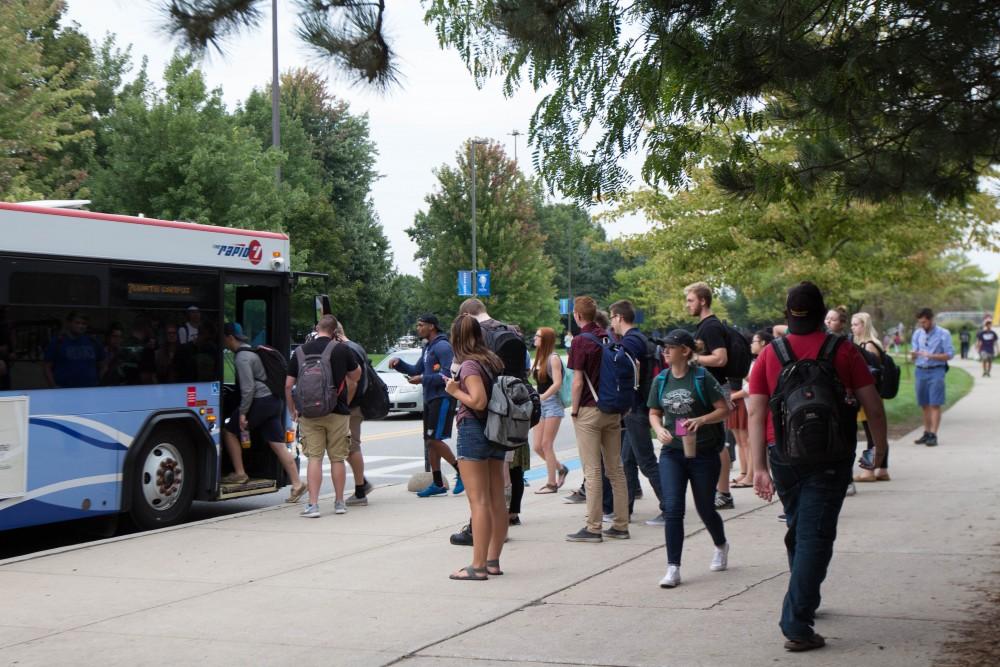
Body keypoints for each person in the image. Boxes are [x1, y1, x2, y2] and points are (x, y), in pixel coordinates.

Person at [749, 282, 889, 652]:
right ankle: (796, 621)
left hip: (783, 454)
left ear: (787, 314)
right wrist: (879, 450)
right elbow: (873, 406)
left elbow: (755, 410)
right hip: (831, 454)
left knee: (801, 528)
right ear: (821, 311)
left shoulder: (770, 354)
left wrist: (757, 466)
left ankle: (803, 595)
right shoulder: (842, 350)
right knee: (815, 535)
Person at [648, 329, 731, 588]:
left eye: (670, 347)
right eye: (664, 348)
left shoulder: (701, 377)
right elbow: (653, 412)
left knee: (705, 507)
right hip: (672, 452)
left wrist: (701, 420)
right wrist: (659, 429)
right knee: (673, 508)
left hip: (703, 452)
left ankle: (721, 544)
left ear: (685, 351)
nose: (665, 351)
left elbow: (724, 409)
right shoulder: (661, 380)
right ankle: (673, 567)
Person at [444, 315, 508, 580]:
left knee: (478, 501)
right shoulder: (493, 360)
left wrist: (454, 390)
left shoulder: (469, 365)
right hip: (496, 432)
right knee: (496, 500)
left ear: (456, 338)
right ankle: (492, 560)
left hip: (474, 431)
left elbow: (478, 401)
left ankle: (478, 565)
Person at [565, 296, 630, 543]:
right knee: (616, 470)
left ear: (578, 316)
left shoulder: (581, 341)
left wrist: (574, 410)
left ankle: (593, 527)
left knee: (592, 471)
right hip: (612, 409)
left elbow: (578, 381)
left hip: (590, 411)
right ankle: (621, 525)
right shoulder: (608, 337)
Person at [221, 322, 306, 502]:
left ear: (229, 338)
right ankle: (297, 483)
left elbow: (248, 389)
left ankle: (240, 473)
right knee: (278, 444)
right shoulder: (252, 352)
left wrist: (243, 413)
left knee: (229, 431)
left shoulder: (242, 358)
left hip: (260, 401)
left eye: (224, 338)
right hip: (274, 401)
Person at [285, 315, 360, 517]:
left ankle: (313, 505)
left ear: (317, 328)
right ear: (335, 331)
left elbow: (288, 385)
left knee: (314, 459)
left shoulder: (299, 351)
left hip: (308, 414)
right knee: (337, 459)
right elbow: (356, 376)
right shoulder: (342, 349)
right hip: (338, 411)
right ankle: (339, 503)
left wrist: (293, 408)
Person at [389, 313, 462, 497]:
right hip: (430, 398)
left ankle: (460, 471)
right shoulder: (428, 347)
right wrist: (399, 364)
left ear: (432, 326)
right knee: (429, 442)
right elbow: (416, 370)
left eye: (421, 325)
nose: (418, 328)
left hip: (442, 398)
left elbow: (448, 375)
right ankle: (437, 484)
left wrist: (423, 379)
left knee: (435, 440)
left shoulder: (443, 347)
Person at [610, 299, 666, 525]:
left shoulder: (631, 341)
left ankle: (670, 505)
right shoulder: (641, 338)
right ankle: (626, 509)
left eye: (612, 317)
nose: (612, 322)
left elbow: (629, 368)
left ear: (619, 317)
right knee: (627, 460)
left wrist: (622, 397)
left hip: (636, 407)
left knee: (646, 461)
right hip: (641, 405)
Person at [683, 282, 735, 511]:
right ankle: (713, 489)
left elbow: (720, 358)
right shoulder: (705, 326)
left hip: (714, 390)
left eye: (690, 300)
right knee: (704, 440)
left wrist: (693, 359)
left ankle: (724, 494)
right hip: (705, 389)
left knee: (718, 443)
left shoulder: (711, 326)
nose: (687, 305)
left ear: (703, 301)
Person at [336, 321, 375, 506]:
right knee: (348, 448)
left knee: (351, 448)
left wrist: (345, 404)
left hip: (352, 406)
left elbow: (352, 382)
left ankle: (361, 491)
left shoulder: (346, 350)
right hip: (358, 404)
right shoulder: (355, 347)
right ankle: (363, 483)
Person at [851, 312, 891, 482]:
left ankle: (869, 470)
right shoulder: (869, 343)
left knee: (871, 434)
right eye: (852, 324)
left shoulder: (868, 345)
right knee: (876, 433)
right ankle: (882, 469)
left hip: (869, 395)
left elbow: (872, 374)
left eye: (856, 324)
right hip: (874, 394)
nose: (853, 328)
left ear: (864, 325)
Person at [731, 329, 773, 487]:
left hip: (759, 406)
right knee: (748, 440)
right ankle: (748, 474)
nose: (751, 345)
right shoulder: (758, 360)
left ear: (763, 343)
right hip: (752, 406)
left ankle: (751, 475)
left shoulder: (764, 360)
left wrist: (734, 396)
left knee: (751, 440)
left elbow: (753, 385)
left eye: (754, 342)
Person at [530, 327, 569, 493]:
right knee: (538, 446)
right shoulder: (539, 358)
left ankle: (551, 484)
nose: (534, 338)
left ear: (545, 339)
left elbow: (557, 383)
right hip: (540, 403)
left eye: (537, 336)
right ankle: (561, 468)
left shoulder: (553, 358)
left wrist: (542, 397)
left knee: (547, 444)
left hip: (552, 403)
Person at [910, 308, 954, 447]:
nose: (922, 325)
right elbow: (914, 354)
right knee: (924, 404)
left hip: (936, 370)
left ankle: (934, 435)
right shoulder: (917, 333)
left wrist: (931, 355)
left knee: (935, 403)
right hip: (920, 370)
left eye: (924, 322)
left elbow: (949, 354)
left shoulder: (943, 334)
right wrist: (913, 355)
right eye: (920, 322)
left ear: (931, 319)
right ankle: (927, 432)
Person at [44, 312, 105, 388]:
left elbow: (103, 365)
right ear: (69, 323)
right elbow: (47, 367)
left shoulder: (93, 342)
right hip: (64, 390)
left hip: (90, 390)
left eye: (84, 324)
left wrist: (100, 383)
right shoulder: (58, 342)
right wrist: (53, 386)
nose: (81, 326)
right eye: (77, 323)